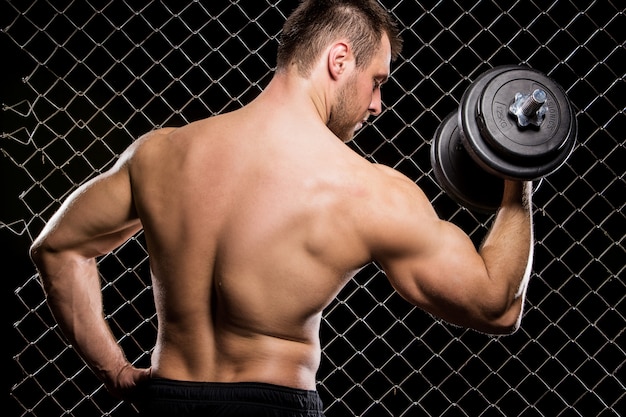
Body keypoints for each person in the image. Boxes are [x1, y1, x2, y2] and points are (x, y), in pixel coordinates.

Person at [29, 0, 534, 416]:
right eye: (377, 80)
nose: (377, 104)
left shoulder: (160, 153)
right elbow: (496, 305)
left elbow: (57, 248)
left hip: (166, 402)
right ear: (339, 61)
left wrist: (115, 373)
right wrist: (519, 173)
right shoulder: (366, 190)